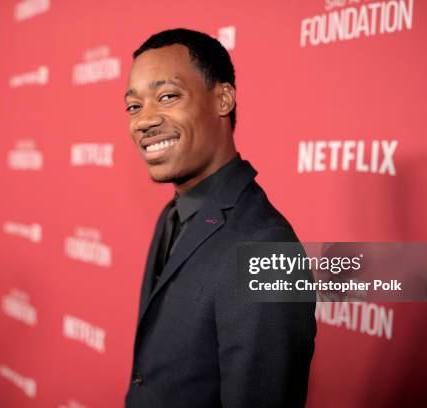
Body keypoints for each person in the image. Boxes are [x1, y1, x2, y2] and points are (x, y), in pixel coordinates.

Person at [123, 28, 316, 408]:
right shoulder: (173, 215)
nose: (144, 121)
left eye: (167, 97)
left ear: (223, 99)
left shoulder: (266, 248)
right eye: (133, 106)